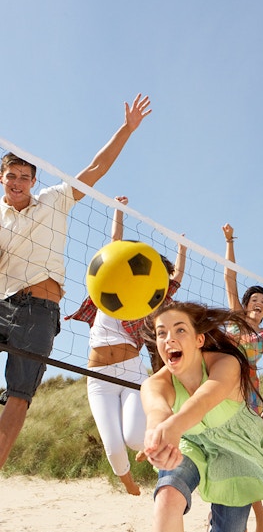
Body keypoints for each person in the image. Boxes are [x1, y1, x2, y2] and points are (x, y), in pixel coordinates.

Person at [0, 93, 152, 470]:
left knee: (18, 396)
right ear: (1, 180)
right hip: (3, 303)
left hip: (38, 310)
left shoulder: (55, 200)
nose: (17, 181)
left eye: (24, 176)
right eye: (10, 175)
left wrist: (127, 129)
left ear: (34, 181)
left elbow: (96, 168)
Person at [140, 301, 263, 532]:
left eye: (179, 330)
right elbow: (156, 411)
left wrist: (172, 427)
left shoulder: (227, 363)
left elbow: (201, 402)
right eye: (162, 333)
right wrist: (156, 436)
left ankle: (216, 529)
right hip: (192, 441)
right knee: (167, 498)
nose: (169, 338)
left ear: (199, 339)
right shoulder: (154, 384)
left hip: (236, 449)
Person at [65, 196, 186, 495]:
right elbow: (114, 244)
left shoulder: (146, 305)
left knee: (135, 438)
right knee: (114, 445)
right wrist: (118, 210)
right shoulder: (106, 289)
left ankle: (165, 465)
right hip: (99, 377)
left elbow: (175, 280)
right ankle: (127, 482)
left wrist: (183, 249)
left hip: (132, 373)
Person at [222, 222, 263, 532]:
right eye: (254, 299)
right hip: (223, 391)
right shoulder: (234, 318)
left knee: (246, 454)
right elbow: (230, 275)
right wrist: (230, 240)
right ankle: (229, 514)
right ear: (246, 304)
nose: (259, 303)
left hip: (250, 397)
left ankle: (256, 509)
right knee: (221, 453)